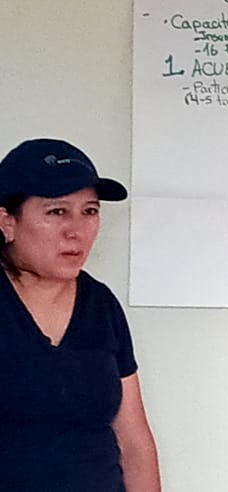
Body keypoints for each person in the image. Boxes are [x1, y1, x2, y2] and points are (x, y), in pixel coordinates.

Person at [0, 139, 161, 491]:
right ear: (7, 222)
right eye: (57, 212)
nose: (76, 230)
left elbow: (134, 442)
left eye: (89, 211)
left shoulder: (100, 305)